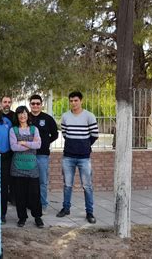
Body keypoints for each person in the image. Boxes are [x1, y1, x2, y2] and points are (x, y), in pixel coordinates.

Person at [56, 91, 99, 224]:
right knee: (67, 185)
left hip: (84, 158)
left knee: (87, 186)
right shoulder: (65, 116)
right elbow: (65, 134)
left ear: (81, 101)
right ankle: (66, 208)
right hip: (68, 156)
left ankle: (89, 212)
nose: (73, 103)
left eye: (76, 100)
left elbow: (94, 135)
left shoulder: (89, 116)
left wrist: (84, 146)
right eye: (71, 101)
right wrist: (74, 145)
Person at [9, 106, 44, 228]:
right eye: (19, 114)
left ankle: (37, 217)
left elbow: (38, 144)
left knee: (34, 194)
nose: (22, 116)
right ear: (17, 116)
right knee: (20, 195)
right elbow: (14, 147)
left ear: (27, 115)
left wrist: (23, 143)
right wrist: (31, 145)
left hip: (32, 167)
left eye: (24, 113)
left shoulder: (34, 129)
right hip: (17, 167)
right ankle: (22, 218)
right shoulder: (13, 130)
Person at [28, 94, 59, 213]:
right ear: (30, 105)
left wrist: (44, 143)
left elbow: (55, 135)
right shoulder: (26, 117)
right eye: (33, 103)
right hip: (27, 155)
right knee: (29, 181)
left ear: (41, 105)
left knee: (42, 181)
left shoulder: (47, 118)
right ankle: (30, 204)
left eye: (38, 103)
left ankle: (43, 205)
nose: (35, 105)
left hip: (42, 155)